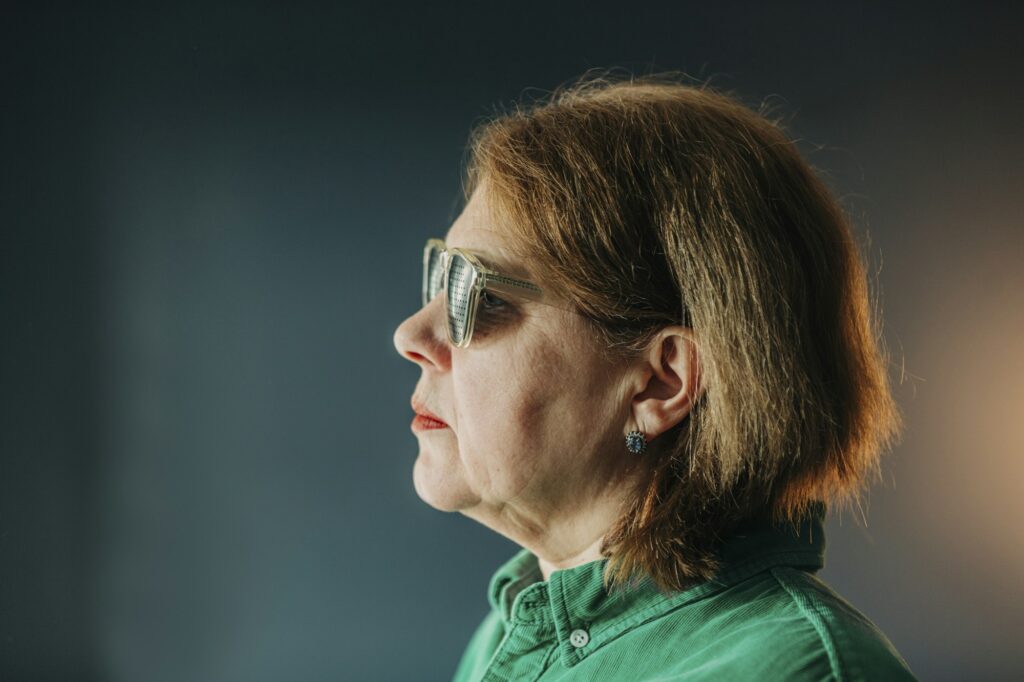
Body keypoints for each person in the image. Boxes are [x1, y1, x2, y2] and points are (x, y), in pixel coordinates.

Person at [393, 71, 916, 681]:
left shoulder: (796, 673)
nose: (410, 335)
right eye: (441, 276)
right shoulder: (507, 636)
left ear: (661, 383)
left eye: (477, 298)